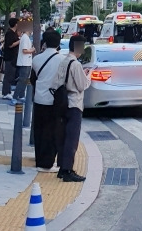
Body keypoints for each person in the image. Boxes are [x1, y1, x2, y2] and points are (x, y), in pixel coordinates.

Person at [54, 35, 90, 182]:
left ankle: (62, 168)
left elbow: (56, 82)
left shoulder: (63, 61)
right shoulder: (75, 64)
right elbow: (82, 86)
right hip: (74, 103)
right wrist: (89, 77)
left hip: (62, 103)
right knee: (72, 139)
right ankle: (68, 170)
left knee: (63, 137)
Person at [31, 31, 64, 173]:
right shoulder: (62, 60)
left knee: (39, 130)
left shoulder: (37, 59)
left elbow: (33, 79)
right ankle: (47, 164)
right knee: (51, 132)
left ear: (44, 42)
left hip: (39, 99)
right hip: (54, 101)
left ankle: (39, 160)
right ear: (58, 43)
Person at [12, 23, 35, 104]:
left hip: (26, 62)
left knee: (24, 80)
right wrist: (32, 50)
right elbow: (24, 50)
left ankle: (21, 95)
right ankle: (15, 97)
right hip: (24, 62)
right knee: (22, 80)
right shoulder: (25, 38)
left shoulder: (26, 37)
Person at [1, 18, 20, 99]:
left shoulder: (13, 33)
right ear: (16, 24)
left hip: (13, 57)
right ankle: (5, 93)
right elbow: (10, 45)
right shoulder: (9, 33)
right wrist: (20, 41)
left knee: (11, 75)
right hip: (10, 57)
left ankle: (8, 91)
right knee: (8, 75)